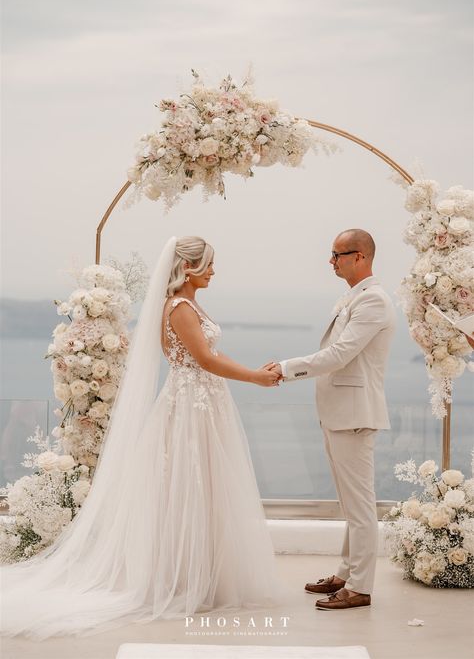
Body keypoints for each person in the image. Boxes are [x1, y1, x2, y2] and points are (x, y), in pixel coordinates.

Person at [0, 236, 281, 639]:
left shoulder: (189, 304)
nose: (214, 272)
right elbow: (205, 359)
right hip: (190, 406)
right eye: (210, 265)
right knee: (191, 485)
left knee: (205, 487)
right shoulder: (181, 308)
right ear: (188, 267)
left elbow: (207, 358)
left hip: (201, 402)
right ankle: (184, 578)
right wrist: (254, 376)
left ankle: (202, 574)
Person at [268, 229, 396, 611]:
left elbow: (340, 354)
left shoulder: (373, 301)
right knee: (349, 502)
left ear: (361, 257)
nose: (331, 261)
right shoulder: (352, 297)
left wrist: (286, 368)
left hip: (355, 414)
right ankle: (346, 572)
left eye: (338, 254)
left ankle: (360, 586)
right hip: (338, 412)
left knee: (360, 505)